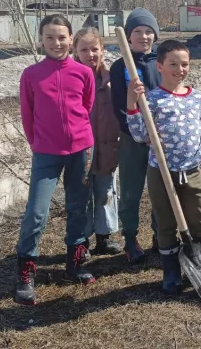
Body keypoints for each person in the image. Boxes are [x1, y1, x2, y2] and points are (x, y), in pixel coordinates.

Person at [125, 39, 201, 295]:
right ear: (160, 66)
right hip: (162, 172)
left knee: (200, 219)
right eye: (173, 64)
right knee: (166, 222)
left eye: (185, 64)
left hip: (191, 170)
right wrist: (132, 103)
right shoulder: (152, 99)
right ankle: (171, 272)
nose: (180, 69)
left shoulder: (197, 97)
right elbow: (139, 134)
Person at [15, 14, 96, 305]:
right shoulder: (31, 75)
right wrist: (37, 143)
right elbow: (27, 114)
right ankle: (26, 270)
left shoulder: (83, 72)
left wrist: (77, 137)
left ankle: (75, 262)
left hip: (81, 150)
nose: (56, 43)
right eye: (50, 37)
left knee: (77, 206)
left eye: (62, 37)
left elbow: (86, 106)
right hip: (46, 153)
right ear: (41, 40)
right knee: (37, 211)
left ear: (71, 39)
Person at [109, 8, 160, 264]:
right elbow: (119, 106)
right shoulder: (120, 67)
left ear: (155, 36)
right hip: (132, 139)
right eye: (137, 31)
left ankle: (161, 234)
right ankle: (130, 238)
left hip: (161, 138)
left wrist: (159, 132)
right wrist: (138, 133)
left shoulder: (162, 62)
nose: (143, 36)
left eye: (149, 31)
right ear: (129, 36)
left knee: (161, 189)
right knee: (131, 190)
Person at [73, 27, 121, 255]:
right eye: (84, 50)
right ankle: (81, 241)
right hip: (79, 149)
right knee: (81, 196)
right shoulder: (71, 79)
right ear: (75, 51)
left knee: (105, 192)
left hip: (107, 148)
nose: (90, 54)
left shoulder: (111, 80)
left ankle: (104, 237)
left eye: (94, 49)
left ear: (102, 49)